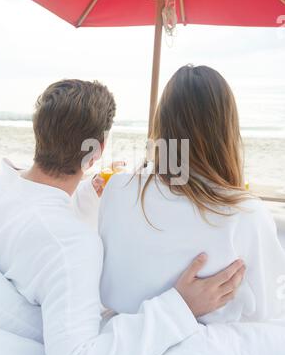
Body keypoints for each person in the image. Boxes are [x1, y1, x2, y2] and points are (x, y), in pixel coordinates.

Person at [0, 79, 245, 355]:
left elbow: (33, 231)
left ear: (39, 131)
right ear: (98, 151)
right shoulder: (71, 246)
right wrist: (180, 307)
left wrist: (83, 196)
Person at [99, 65, 285, 324]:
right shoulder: (245, 213)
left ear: (161, 124)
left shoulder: (117, 190)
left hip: (120, 332)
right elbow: (268, 313)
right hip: (205, 354)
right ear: (227, 131)